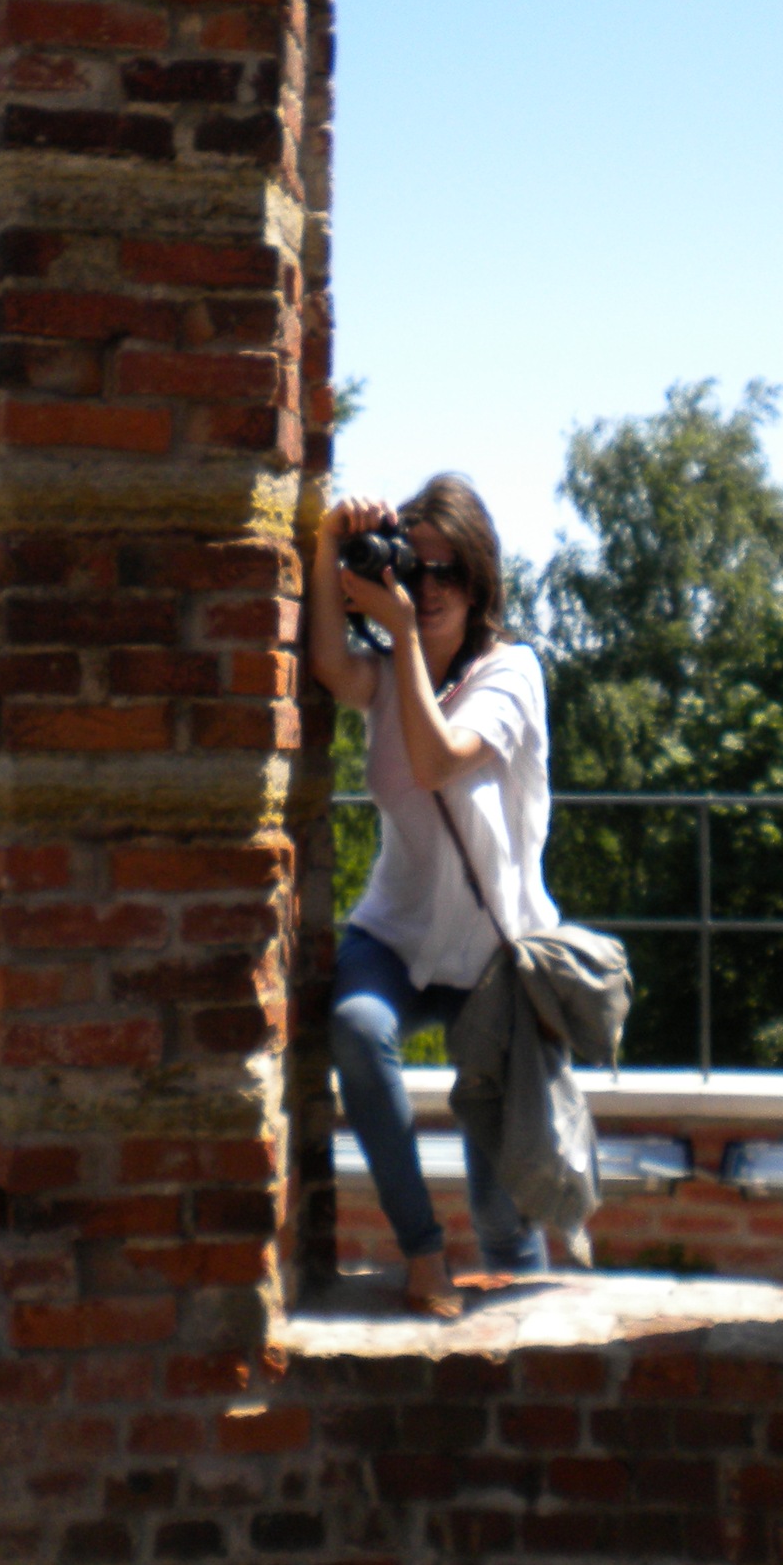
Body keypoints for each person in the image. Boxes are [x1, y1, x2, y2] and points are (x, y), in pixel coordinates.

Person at [309, 473, 558, 1318]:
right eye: (415, 568)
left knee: (502, 1208)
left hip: (495, 956)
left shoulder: (512, 673)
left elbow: (438, 760)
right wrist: (328, 541)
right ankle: (422, 1253)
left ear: (480, 580)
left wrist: (404, 631)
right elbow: (328, 662)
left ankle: (526, 1327)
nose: (433, 586)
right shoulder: (384, 671)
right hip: (399, 934)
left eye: (450, 570)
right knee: (355, 1028)